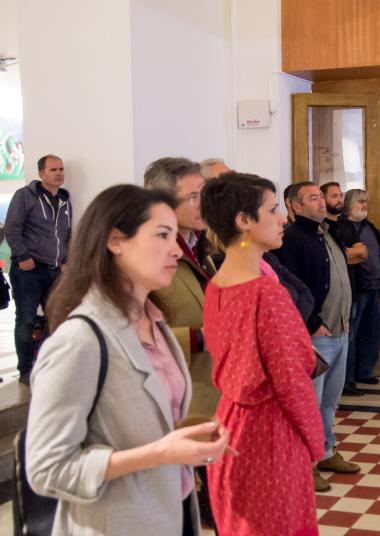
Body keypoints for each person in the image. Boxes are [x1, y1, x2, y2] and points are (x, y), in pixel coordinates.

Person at [26, 184, 232, 535]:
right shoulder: (79, 341)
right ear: (115, 241)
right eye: (162, 235)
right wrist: (160, 453)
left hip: (172, 512)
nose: (176, 250)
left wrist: (190, 440)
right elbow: (47, 469)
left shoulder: (155, 323)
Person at [201, 172, 324, 535]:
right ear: (244, 221)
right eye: (272, 210)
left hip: (229, 425)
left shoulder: (216, 285)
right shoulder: (265, 294)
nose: (282, 218)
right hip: (268, 435)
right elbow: (292, 382)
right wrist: (314, 443)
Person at [143, 157, 221, 529]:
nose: (203, 203)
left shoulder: (201, 248)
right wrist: (198, 337)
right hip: (173, 406)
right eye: (194, 196)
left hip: (207, 395)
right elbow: (134, 335)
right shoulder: (151, 255)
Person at [274, 181, 359, 493]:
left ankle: (325, 451)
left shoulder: (326, 232)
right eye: (313, 198)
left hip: (339, 329)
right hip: (316, 334)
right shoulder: (291, 239)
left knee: (329, 401)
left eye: (322, 196)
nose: (321, 202)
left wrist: (345, 318)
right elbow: (290, 287)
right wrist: (311, 323)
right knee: (308, 403)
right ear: (295, 206)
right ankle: (304, 463)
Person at [6, 154, 72, 385]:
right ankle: (25, 370)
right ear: (41, 173)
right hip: (29, 270)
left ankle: (49, 365)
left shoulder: (65, 200)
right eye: (53, 170)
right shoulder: (25, 196)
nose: (59, 173)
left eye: (61, 169)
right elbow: (12, 228)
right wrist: (23, 256)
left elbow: (67, 234)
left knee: (56, 318)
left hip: (55, 271)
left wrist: (66, 260)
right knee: (26, 319)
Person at [321, 181, 369, 395]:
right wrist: (347, 254)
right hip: (330, 298)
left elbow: (362, 252)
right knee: (334, 341)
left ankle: (347, 380)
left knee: (349, 337)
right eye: (334, 196)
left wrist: (347, 254)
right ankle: (339, 383)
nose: (339, 199)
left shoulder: (346, 226)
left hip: (351, 289)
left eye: (341, 195)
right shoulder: (323, 227)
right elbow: (336, 258)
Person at [341, 189, 380, 388]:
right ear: (349, 204)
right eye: (360, 201)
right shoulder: (341, 227)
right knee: (352, 333)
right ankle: (348, 377)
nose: (364, 205)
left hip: (374, 287)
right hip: (356, 288)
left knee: (371, 332)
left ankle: (364, 371)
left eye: (365, 202)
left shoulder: (369, 227)